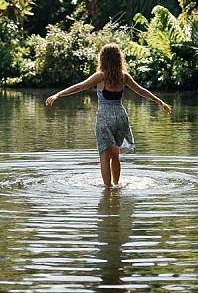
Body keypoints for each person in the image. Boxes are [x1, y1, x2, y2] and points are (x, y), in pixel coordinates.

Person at [45, 43, 172, 188]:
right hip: (120, 117)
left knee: (104, 157)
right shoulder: (124, 77)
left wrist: (58, 94)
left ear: (102, 59)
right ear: (119, 59)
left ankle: (107, 190)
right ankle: (116, 186)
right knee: (115, 155)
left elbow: (79, 86)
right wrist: (160, 101)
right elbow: (141, 91)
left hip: (105, 118)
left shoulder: (101, 76)